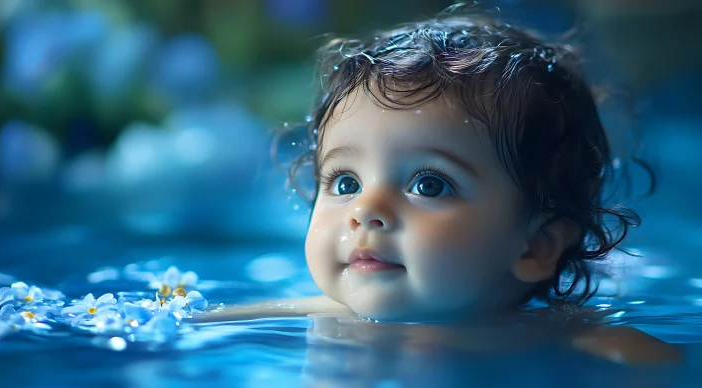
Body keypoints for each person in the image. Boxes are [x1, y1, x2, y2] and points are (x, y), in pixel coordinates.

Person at [196, 4, 681, 364]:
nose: (365, 211)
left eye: (429, 185)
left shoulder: (564, 340)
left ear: (536, 245)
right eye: (345, 182)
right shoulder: (326, 313)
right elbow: (189, 321)